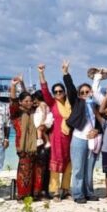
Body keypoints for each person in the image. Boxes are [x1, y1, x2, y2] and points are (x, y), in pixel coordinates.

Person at [63, 61, 102, 204]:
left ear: (91, 92)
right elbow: (70, 89)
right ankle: (78, 194)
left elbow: (101, 119)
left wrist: (97, 130)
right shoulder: (77, 102)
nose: (85, 94)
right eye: (82, 92)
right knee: (78, 168)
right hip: (79, 139)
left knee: (89, 168)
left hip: (93, 140)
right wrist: (66, 73)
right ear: (79, 94)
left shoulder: (95, 104)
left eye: (87, 91)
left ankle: (89, 192)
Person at [40, 63, 73, 200]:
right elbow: (44, 91)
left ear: (64, 92)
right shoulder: (53, 103)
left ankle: (66, 190)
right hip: (56, 138)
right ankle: (55, 192)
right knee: (55, 164)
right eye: (56, 92)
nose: (58, 93)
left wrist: (65, 72)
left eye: (60, 91)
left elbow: (72, 89)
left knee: (69, 164)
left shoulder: (70, 103)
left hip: (70, 137)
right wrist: (41, 73)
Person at [9, 80, 44, 201]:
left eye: (30, 101)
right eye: (26, 101)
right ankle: (23, 195)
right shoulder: (16, 113)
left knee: (37, 170)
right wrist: (13, 86)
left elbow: (28, 96)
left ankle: (35, 194)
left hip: (36, 145)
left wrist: (23, 84)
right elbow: (13, 100)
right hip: (23, 147)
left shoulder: (33, 111)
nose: (29, 103)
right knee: (24, 171)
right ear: (20, 102)